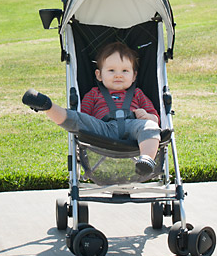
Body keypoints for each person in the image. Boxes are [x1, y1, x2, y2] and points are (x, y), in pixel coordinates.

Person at [23, 42, 161, 176]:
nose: (118, 75)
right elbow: (84, 117)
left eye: (125, 71)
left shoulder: (138, 93)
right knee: (77, 119)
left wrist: (147, 116)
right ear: (99, 75)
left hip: (133, 126)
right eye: (111, 70)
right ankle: (47, 106)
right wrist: (91, 123)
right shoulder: (94, 94)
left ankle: (146, 159)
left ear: (134, 76)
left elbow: (156, 119)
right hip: (102, 127)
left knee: (150, 126)